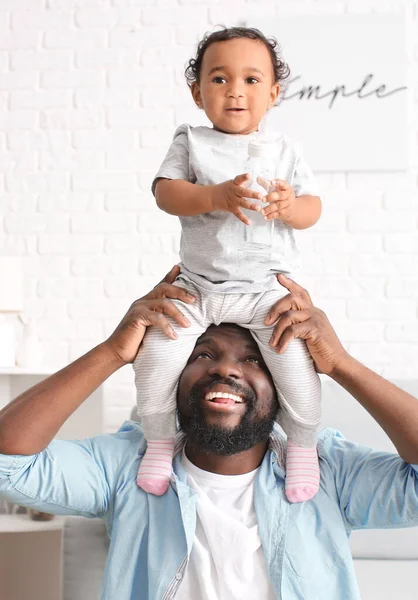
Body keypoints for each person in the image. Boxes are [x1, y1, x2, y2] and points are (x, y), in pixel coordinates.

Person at [1, 266, 418, 600]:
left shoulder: (329, 470)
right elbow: (9, 464)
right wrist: (114, 351)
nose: (226, 369)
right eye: (203, 354)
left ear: (283, 390)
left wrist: (341, 364)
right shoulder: (126, 464)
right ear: (173, 381)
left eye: (254, 361)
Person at [134, 26, 323, 502]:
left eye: (252, 80)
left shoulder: (285, 151)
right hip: (199, 286)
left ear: (273, 94)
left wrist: (290, 207)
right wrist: (214, 195)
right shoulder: (192, 141)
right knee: (155, 358)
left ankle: (301, 445)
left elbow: (313, 209)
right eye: (219, 79)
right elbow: (165, 193)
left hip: (265, 289)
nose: (235, 90)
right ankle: (159, 440)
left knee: (295, 364)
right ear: (197, 93)